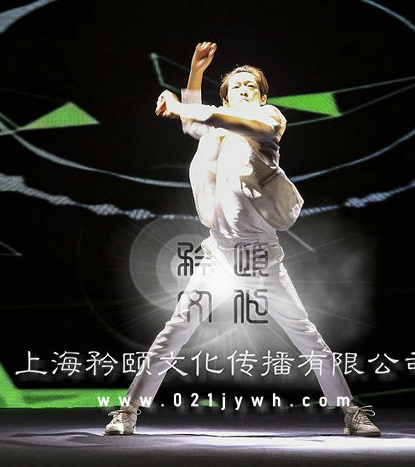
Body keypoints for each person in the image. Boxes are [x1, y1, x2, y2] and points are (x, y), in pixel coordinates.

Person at [104, 41, 379, 437]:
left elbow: (225, 120)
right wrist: (195, 73)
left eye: (251, 86)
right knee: (174, 331)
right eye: (237, 86)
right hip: (218, 256)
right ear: (226, 97)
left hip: (261, 258)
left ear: (263, 97)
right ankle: (128, 410)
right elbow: (195, 123)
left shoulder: (269, 120)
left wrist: (182, 106)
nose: (245, 89)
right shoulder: (215, 130)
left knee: (305, 335)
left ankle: (351, 411)